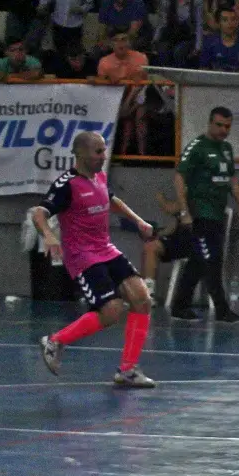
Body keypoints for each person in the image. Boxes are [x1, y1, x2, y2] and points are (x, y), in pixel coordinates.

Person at [35, 132, 156, 388]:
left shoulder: (99, 176)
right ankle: (55, 341)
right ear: (80, 154)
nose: (103, 156)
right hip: (83, 257)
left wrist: (138, 221)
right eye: (98, 151)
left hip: (105, 249)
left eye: (104, 150)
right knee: (111, 310)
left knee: (142, 298)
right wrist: (49, 235)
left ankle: (128, 370)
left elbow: (111, 200)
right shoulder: (66, 185)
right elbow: (39, 213)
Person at [169, 106, 239, 324]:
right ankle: (222, 310)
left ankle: (180, 306)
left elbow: (231, 179)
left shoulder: (227, 149)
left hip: (217, 213)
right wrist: (184, 212)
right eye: (219, 125)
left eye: (227, 126)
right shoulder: (197, 147)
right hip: (199, 214)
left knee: (198, 261)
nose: (223, 130)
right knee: (211, 259)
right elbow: (179, 177)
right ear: (210, 123)